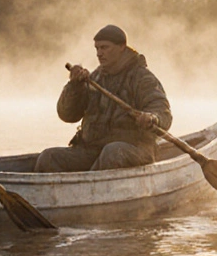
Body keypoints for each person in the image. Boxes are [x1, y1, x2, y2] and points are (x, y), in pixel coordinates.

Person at [34, 24, 172, 172]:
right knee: (49, 157)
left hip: (134, 150)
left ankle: (87, 187)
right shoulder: (94, 78)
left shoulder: (142, 78)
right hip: (92, 150)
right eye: (97, 48)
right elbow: (67, 115)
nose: (99, 53)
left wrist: (152, 118)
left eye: (105, 47)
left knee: (112, 153)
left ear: (122, 47)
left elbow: (162, 110)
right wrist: (74, 86)